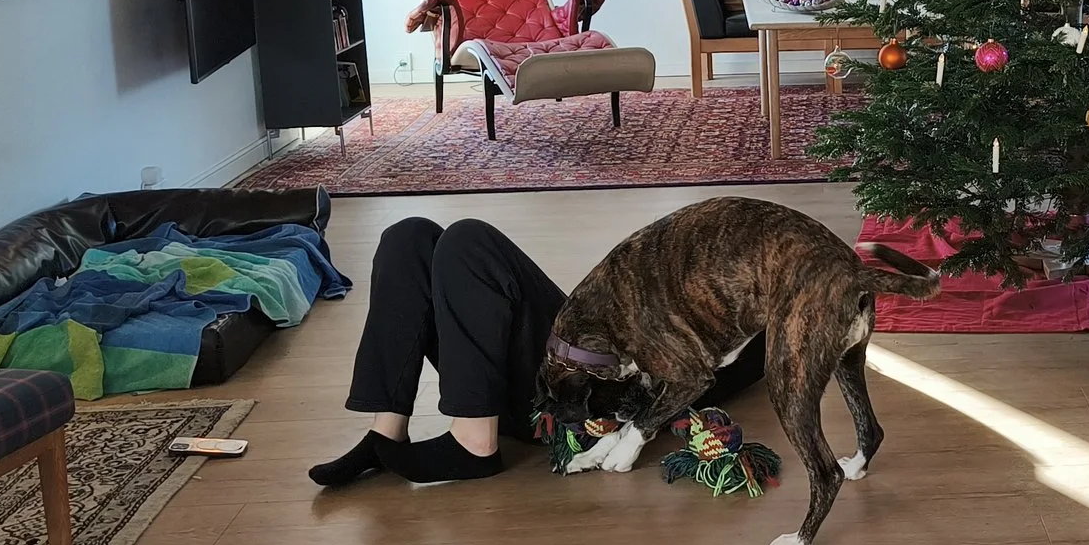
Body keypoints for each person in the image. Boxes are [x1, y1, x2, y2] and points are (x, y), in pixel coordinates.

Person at [311, 217, 760, 487]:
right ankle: (386, 434)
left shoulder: (755, 328)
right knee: (408, 235)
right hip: (537, 380)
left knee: (469, 241)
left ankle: (473, 441)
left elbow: (694, 371)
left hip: (579, 403)